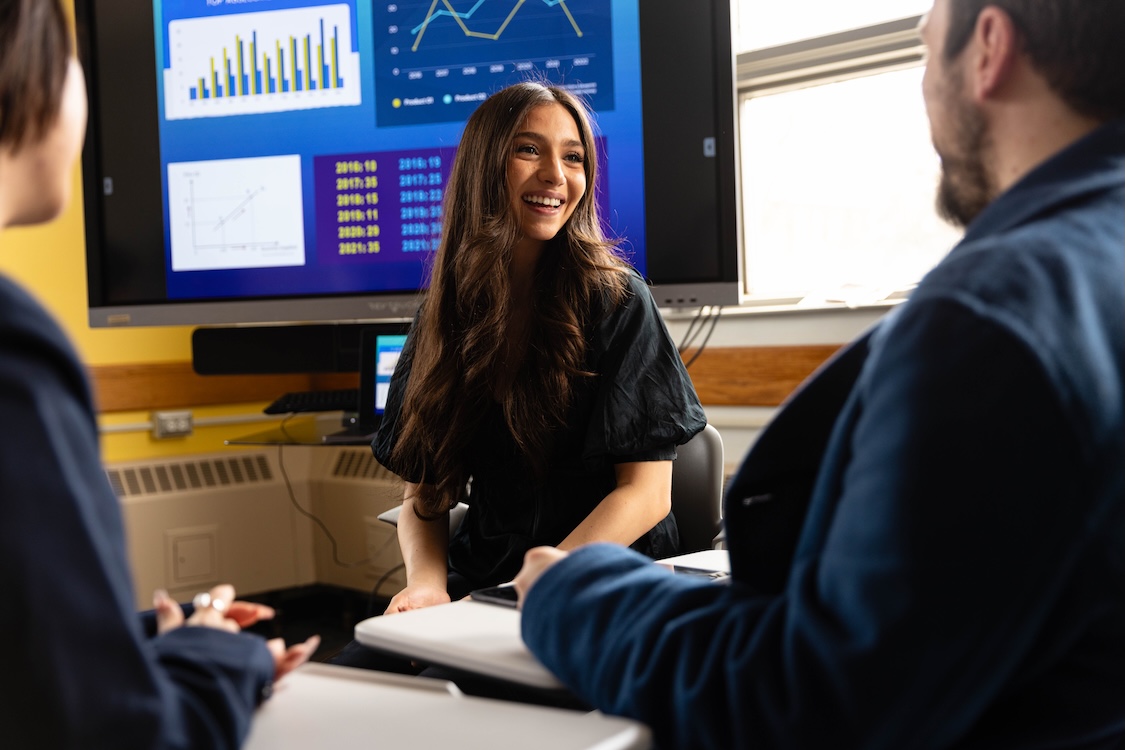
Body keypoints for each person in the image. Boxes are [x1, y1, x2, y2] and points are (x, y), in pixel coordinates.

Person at [513, 0, 1125, 746]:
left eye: (926, 50)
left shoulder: (992, 321)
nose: (926, 93)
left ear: (988, 48)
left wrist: (571, 595)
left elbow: (813, 700)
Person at [0, 1, 318, 747]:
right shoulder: (14, 350)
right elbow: (125, 736)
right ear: (26, 75)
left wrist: (143, 640)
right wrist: (216, 660)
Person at [365, 80, 705, 615]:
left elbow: (646, 494)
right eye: (529, 150)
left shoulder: (618, 300)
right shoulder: (444, 313)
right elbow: (424, 497)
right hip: (487, 584)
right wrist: (428, 585)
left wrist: (539, 583)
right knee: (359, 681)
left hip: (600, 581)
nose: (555, 175)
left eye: (573, 157)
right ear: (484, 167)